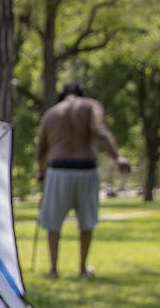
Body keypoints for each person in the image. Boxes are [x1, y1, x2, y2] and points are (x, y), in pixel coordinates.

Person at [36, 83, 130, 278]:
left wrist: (41, 172)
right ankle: (82, 268)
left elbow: (41, 150)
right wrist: (117, 157)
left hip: (58, 169)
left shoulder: (51, 114)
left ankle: (53, 269)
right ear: (80, 94)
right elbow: (99, 131)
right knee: (86, 221)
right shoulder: (90, 106)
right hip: (86, 167)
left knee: (52, 222)